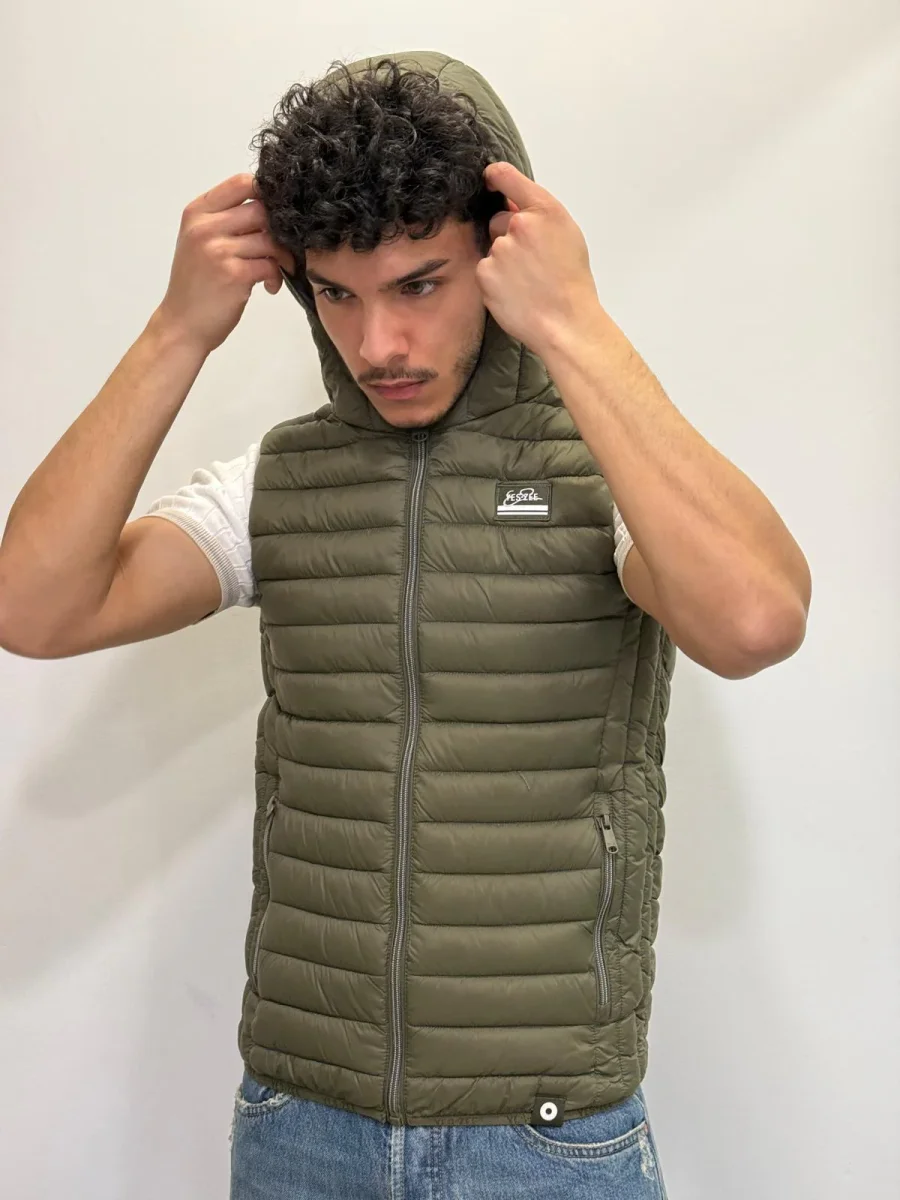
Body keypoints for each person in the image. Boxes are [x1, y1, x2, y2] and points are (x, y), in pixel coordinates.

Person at [0, 50, 811, 1200]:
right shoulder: (278, 482)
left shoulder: (604, 477)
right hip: (302, 1126)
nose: (377, 342)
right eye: (337, 293)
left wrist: (576, 326)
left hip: (543, 1139)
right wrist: (176, 332)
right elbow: (34, 608)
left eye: (419, 285)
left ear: (502, 252)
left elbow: (757, 619)